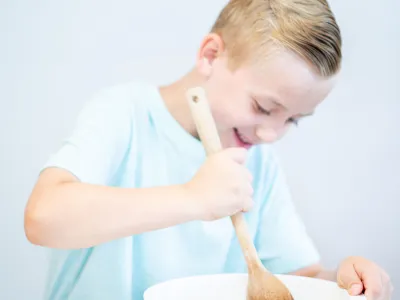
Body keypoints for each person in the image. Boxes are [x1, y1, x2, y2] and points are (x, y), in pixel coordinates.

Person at [24, 0, 393, 299]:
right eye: (264, 108)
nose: (271, 134)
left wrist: (341, 279)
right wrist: (191, 198)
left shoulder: (258, 161)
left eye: (293, 120)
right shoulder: (125, 115)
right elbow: (43, 218)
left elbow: (297, 273)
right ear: (211, 55)